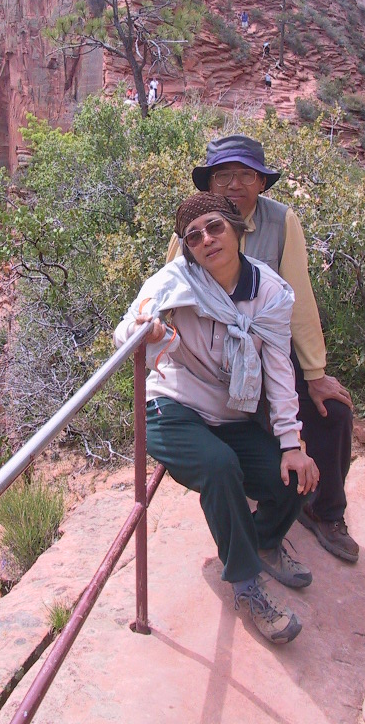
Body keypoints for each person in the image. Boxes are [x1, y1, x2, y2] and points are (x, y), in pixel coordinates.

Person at [115, 193, 319, 644]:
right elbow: (126, 329)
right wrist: (145, 330)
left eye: (214, 227)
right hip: (172, 408)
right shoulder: (175, 280)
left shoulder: (269, 291)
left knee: (292, 477)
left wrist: (291, 443)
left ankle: (260, 541)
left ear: (236, 229)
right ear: (187, 248)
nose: (206, 239)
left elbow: (279, 369)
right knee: (219, 466)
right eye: (193, 236)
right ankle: (246, 583)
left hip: (229, 414)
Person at [168, 136, 358, 562]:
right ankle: (267, 494)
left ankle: (325, 511)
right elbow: (169, 292)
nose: (234, 184)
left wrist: (315, 374)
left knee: (332, 412)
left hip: (269, 349)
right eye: (223, 176)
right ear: (210, 184)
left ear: (261, 182)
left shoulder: (281, 221)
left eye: (246, 174)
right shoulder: (195, 226)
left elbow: (299, 299)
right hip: (213, 360)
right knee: (240, 423)